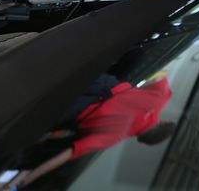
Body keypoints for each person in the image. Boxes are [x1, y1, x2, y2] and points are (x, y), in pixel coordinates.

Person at [18, 76, 174, 187]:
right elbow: (67, 154)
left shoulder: (161, 98)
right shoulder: (115, 137)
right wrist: (24, 181)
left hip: (102, 83)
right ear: (142, 138)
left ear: (163, 122)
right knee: (29, 108)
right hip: (75, 109)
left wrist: (134, 95)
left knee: (50, 76)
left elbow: (157, 80)